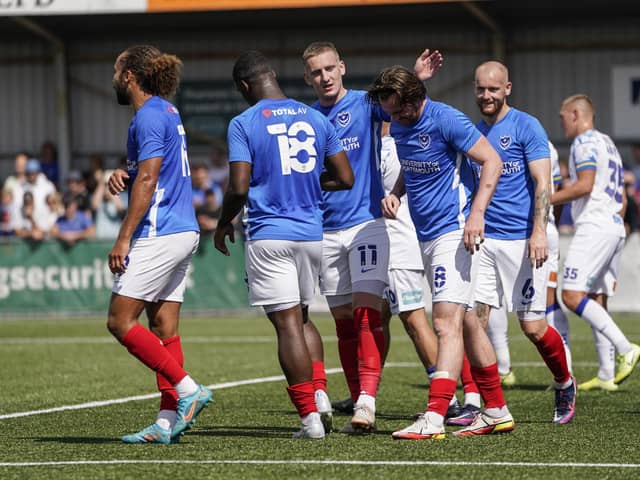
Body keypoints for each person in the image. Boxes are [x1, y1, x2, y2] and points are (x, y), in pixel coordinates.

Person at [302, 43, 444, 433]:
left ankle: (367, 402)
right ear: (307, 77)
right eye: (316, 72)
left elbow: (401, 104)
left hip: (367, 225)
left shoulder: (365, 105)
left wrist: (416, 77)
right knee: (343, 323)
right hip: (326, 232)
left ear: (342, 67)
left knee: (368, 314)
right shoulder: (307, 120)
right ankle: (356, 398)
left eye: (330, 68)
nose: (325, 77)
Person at [214, 50, 353, 439]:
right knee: (304, 316)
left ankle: (310, 420)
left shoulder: (243, 122)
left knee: (287, 324)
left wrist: (223, 222)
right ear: (272, 75)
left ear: (244, 86)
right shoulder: (314, 117)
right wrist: (307, 183)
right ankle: (321, 395)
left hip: (270, 234)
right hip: (311, 233)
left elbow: (239, 187)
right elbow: (345, 177)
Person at [367, 65, 508, 439]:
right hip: (425, 236)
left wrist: (477, 214)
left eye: (398, 112)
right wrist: (397, 191)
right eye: (390, 113)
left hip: (455, 231)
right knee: (466, 322)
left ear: (415, 101)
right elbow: (410, 168)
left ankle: (433, 417)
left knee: (444, 323)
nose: (393, 120)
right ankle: (496, 409)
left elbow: (492, 160)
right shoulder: (399, 121)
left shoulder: (448, 120)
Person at [106, 44, 211, 445]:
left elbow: (149, 181)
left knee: (119, 320)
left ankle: (189, 391)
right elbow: (146, 172)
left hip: (159, 230)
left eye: (117, 71)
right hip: (182, 229)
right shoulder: (166, 110)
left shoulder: (148, 116)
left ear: (130, 75)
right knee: (163, 327)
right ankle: (168, 422)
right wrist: (123, 173)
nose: (114, 78)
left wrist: (123, 237)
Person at [552, 94, 640, 391]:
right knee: (598, 297)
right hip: (614, 226)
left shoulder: (584, 143)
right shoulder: (608, 143)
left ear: (576, 114)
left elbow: (584, 185)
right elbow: (623, 197)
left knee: (572, 296)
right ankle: (605, 374)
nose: (561, 123)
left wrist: (545, 199)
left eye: (563, 117)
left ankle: (626, 348)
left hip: (595, 226)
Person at [486, 141, 573, 388]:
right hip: (503, 235)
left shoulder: (538, 143)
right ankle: (496, 375)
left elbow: (550, 189)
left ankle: (565, 373)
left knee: (538, 315)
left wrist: (540, 229)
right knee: (485, 306)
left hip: (535, 233)